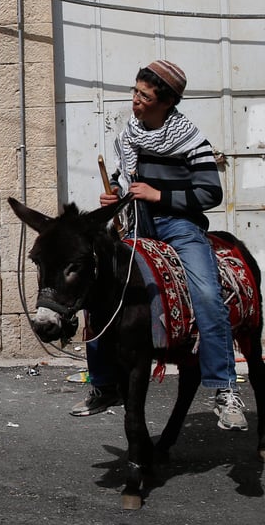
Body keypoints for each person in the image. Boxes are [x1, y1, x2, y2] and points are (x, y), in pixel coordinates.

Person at [73, 59, 246, 431]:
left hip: (180, 227)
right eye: (135, 91)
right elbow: (123, 182)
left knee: (207, 293)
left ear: (166, 102)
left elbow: (210, 192)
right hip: (136, 225)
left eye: (144, 96)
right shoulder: (128, 135)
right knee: (97, 289)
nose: (135, 100)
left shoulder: (191, 141)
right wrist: (114, 196)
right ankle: (103, 384)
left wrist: (159, 194)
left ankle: (224, 388)